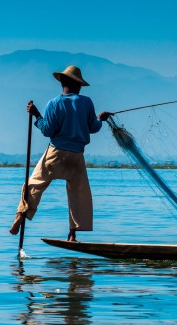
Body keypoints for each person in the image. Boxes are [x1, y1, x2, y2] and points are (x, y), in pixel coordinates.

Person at [9, 65, 111, 242]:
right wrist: (99, 119)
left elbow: (47, 130)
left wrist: (36, 114)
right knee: (78, 193)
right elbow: (93, 128)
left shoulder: (54, 103)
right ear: (77, 85)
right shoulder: (86, 103)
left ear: (63, 83)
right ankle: (72, 234)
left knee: (34, 184)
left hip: (55, 153)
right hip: (76, 155)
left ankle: (21, 214)